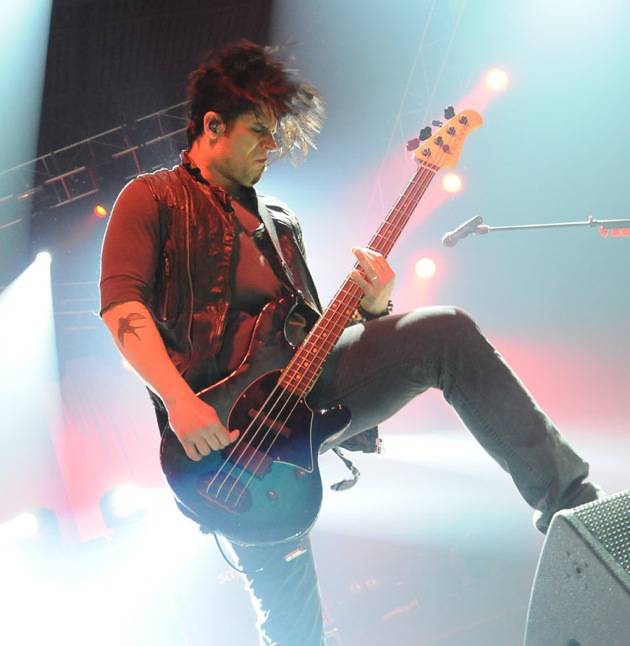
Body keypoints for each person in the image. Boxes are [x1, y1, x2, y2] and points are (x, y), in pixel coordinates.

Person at [99, 40, 602, 645]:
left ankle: (576, 506)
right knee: (293, 626)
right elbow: (122, 307)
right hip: (222, 439)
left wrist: (375, 308)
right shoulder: (152, 198)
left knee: (443, 330)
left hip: (303, 392)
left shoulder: (280, 220)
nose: (271, 146)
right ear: (212, 125)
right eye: (258, 131)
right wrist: (179, 402)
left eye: (275, 134)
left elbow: (310, 330)